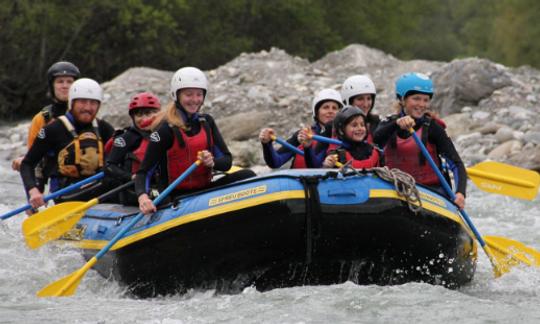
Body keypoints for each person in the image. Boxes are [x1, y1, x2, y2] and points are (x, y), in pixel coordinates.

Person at [135, 67, 255, 214]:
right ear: (177, 95)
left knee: (247, 175)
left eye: (199, 94)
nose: (195, 100)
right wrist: (143, 198)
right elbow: (144, 172)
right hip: (176, 197)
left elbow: (227, 161)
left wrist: (213, 162)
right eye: (189, 94)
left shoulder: (207, 122)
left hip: (204, 191)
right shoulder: (165, 130)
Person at [373, 72, 467, 209]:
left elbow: (456, 164)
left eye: (425, 100)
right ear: (402, 99)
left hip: (431, 192)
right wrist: (396, 124)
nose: (421, 104)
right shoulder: (388, 124)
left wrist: (460, 193)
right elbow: (375, 142)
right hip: (395, 189)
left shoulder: (433, 128)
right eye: (416, 99)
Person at [20, 78, 115, 209]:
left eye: (93, 103)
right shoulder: (52, 129)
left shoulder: (105, 129)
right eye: (82, 102)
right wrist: (33, 191)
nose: (88, 107)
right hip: (65, 194)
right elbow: (27, 164)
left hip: (98, 188)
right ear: (72, 103)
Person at [12, 61, 81, 193]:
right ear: (52, 86)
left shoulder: (85, 115)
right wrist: (34, 193)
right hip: (57, 177)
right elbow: (32, 161)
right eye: (60, 82)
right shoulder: (42, 119)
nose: (65, 86)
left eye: (69, 82)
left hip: (87, 175)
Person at [258, 88, 343, 168]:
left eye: (334, 108)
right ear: (317, 112)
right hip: (297, 182)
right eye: (326, 107)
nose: (330, 111)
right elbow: (275, 163)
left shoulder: (345, 137)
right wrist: (267, 144)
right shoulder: (302, 135)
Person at [104, 92, 163, 205]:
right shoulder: (126, 139)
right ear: (133, 117)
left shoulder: (165, 134)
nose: (144, 119)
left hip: (161, 187)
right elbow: (109, 166)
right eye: (139, 115)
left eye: (149, 113)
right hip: (134, 192)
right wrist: (130, 177)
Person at [303, 106, 380, 169]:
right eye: (354, 125)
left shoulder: (374, 151)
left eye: (362, 125)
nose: (360, 128)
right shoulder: (336, 155)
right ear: (341, 130)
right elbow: (313, 169)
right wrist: (326, 167)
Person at [341, 75, 379, 143]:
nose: (366, 104)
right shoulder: (336, 126)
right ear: (348, 101)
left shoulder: (376, 122)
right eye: (360, 99)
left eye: (369, 98)